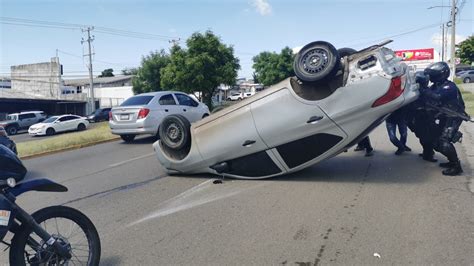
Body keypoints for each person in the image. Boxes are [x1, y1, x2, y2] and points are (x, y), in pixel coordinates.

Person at [420, 62, 467, 176]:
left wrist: (422, 89)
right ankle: (451, 161)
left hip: (454, 116)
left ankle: (456, 166)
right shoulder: (436, 85)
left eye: (432, 75)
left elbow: (437, 96)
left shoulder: (449, 87)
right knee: (436, 141)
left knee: (443, 141)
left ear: (439, 74)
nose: (430, 77)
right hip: (444, 116)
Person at [406, 71, 440, 163]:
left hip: (425, 118)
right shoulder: (417, 91)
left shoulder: (424, 91)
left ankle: (428, 154)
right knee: (423, 137)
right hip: (419, 118)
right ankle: (427, 153)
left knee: (426, 138)